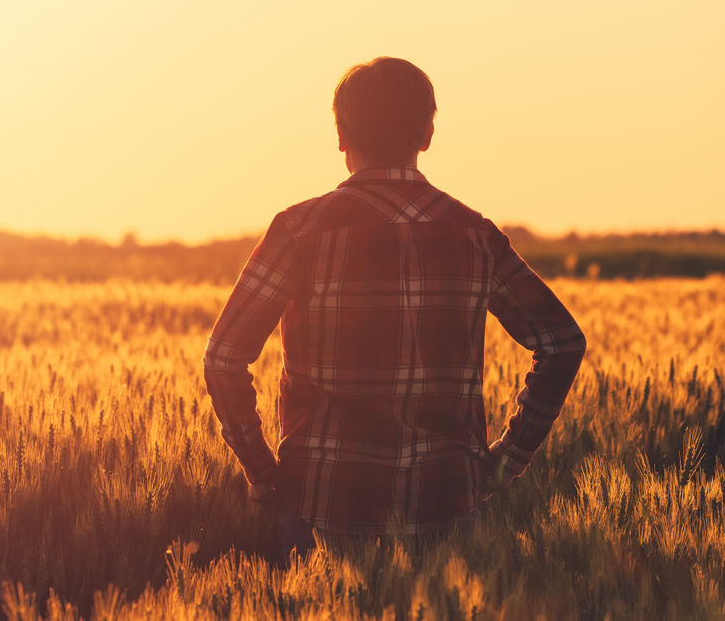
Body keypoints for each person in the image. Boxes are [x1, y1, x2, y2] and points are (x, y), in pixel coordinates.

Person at [202, 57, 587, 558]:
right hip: (447, 505)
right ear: (427, 134)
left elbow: (223, 356)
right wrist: (506, 462)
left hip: (322, 502)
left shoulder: (299, 232)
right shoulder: (475, 235)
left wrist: (262, 472)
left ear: (340, 135)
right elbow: (561, 342)